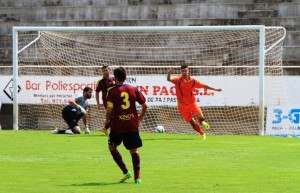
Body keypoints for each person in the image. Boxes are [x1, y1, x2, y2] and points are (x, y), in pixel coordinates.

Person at [104, 67, 147, 184]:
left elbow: (109, 111)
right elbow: (145, 105)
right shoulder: (133, 89)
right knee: (134, 151)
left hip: (117, 126)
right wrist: (140, 117)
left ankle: (125, 172)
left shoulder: (112, 91)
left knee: (112, 147)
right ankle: (137, 178)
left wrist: (107, 121)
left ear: (115, 78)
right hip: (132, 125)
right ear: (125, 77)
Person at [167, 65, 222, 140]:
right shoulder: (178, 80)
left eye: (185, 71)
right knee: (192, 123)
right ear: (181, 71)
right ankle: (202, 133)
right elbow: (169, 79)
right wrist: (169, 74)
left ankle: (202, 122)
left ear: (188, 71)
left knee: (201, 118)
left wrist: (215, 89)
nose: (184, 72)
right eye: (182, 71)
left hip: (192, 103)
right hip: (182, 106)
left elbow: (204, 86)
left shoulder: (193, 81)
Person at [95, 65, 115, 135]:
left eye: (106, 70)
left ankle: (106, 125)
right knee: (114, 115)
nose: (105, 72)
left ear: (109, 70)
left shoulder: (114, 79)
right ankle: (106, 127)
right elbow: (97, 92)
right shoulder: (100, 82)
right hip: (107, 101)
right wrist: (98, 103)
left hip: (115, 100)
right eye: (103, 71)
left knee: (114, 116)